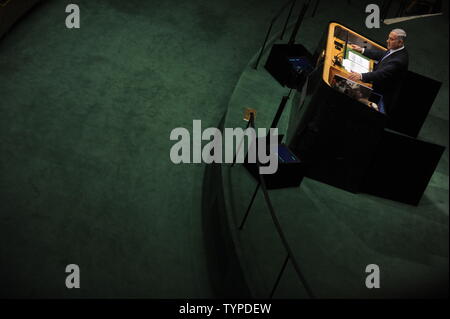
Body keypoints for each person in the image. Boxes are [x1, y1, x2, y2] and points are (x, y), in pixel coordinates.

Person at [348, 29, 409, 114]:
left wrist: (361, 76)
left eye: (391, 39)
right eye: (388, 38)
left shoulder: (400, 60)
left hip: (381, 94)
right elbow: (382, 55)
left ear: (400, 42)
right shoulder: (395, 49)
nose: (387, 41)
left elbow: (381, 74)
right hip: (378, 83)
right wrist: (362, 50)